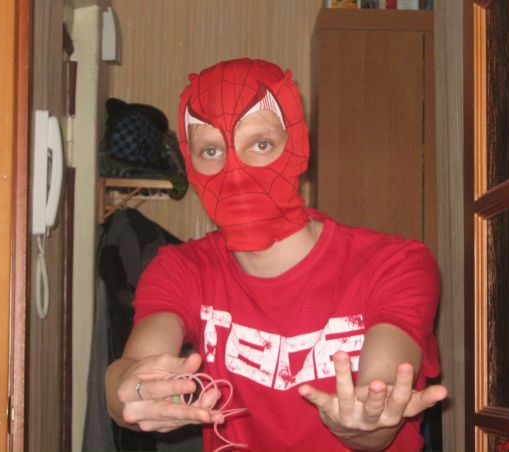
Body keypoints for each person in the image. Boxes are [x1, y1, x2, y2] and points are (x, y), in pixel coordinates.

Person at [105, 58, 447, 452]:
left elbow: (379, 399)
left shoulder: (394, 264)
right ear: (191, 165)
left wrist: (360, 424)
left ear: (297, 146)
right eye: (211, 150)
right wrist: (129, 392)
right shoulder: (182, 269)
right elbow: (131, 371)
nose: (235, 172)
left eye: (261, 145)